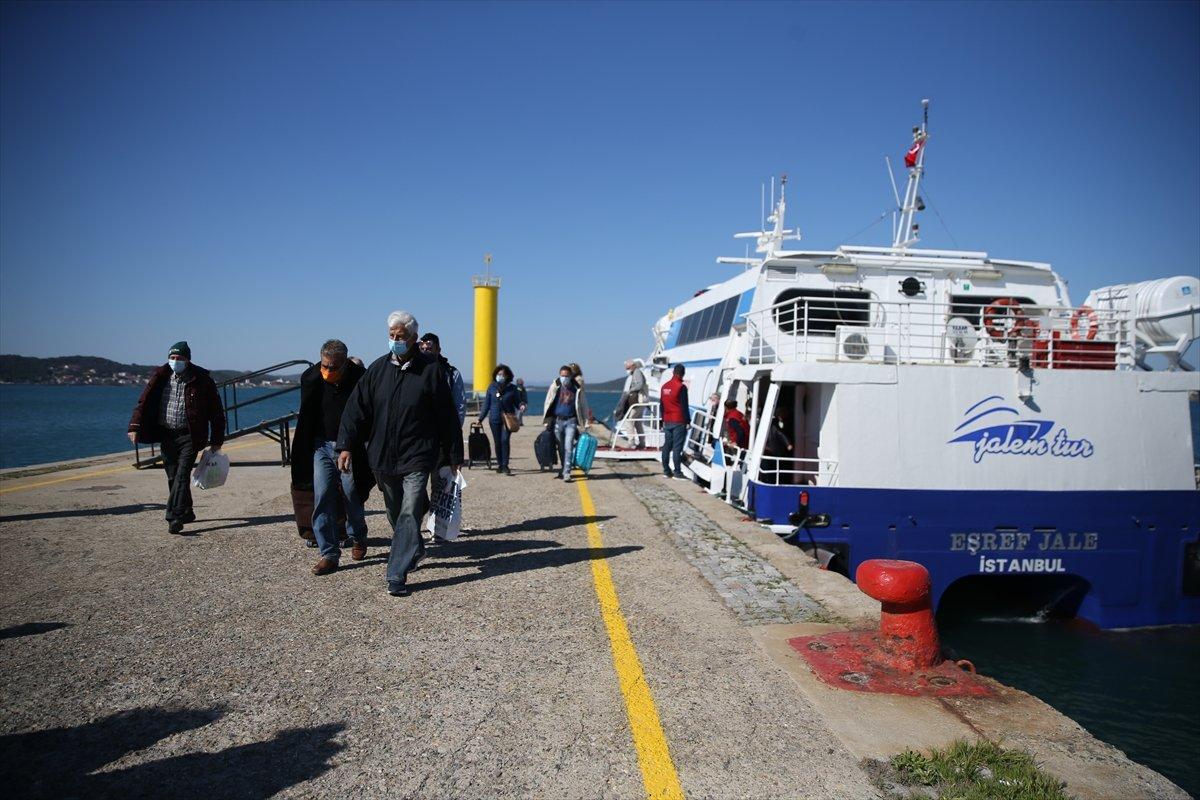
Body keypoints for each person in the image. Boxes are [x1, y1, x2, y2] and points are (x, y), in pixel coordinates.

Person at [337, 311, 463, 597]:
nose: (395, 341)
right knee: (396, 512)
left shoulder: (431, 370)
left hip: (418, 455)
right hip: (382, 457)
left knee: (409, 512)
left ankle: (396, 573)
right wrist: (345, 445)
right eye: (392, 336)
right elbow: (355, 410)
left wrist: (454, 454)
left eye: (401, 337)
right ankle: (413, 546)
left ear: (414, 339)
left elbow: (446, 416)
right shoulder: (377, 370)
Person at [291, 339, 373, 575]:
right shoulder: (311, 378)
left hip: (350, 447)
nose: (327, 371)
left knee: (350, 494)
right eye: (324, 365)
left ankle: (358, 536)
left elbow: (367, 414)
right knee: (323, 495)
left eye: (333, 367)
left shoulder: (360, 379)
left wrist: (355, 444)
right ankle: (329, 553)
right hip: (321, 446)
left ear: (345, 363)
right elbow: (307, 416)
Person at [127, 341, 225, 535]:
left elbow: (216, 412)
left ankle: (174, 517)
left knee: (181, 476)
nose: (175, 361)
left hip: (190, 435)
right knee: (172, 476)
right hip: (166, 434)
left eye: (179, 358)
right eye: (172, 358)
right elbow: (143, 402)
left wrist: (216, 441)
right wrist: (135, 426)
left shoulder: (202, 380)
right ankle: (186, 511)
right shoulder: (161, 376)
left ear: (188, 360)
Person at [542, 364, 590, 483]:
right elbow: (548, 401)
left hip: (571, 421)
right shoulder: (555, 385)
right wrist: (546, 420)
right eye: (562, 375)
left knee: (568, 447)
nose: (564, 378)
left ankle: (567, 473)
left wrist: (586, 420)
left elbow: (583, 404)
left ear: (570, 376)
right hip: (558, 420)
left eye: (566, 376)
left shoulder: (576, 388)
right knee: (561, 447)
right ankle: (564, 468)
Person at [478, 363, 520, 475]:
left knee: (505, 440)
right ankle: (500, 464)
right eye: (498, 374)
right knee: (497, 442)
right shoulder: (491, 387)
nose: (500, 376)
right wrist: (480, 418)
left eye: (503, 374)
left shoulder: (512, 388)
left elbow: (517, 402)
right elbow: (486, 404)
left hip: (508, 418)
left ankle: (505, 465)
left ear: (508, 376)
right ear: (495, 375)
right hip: (494, 418)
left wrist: (521, 405)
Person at [418, 333, 465, 426]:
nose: (425, 352)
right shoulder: (414, 373)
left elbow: (460, 405)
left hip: (444, 428)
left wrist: (455, 429)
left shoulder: (452, 374)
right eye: (422, 349)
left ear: (438, 350)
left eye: (429, 349)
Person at [659, 363, 688, 479]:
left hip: (667, 420)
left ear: (673, 372)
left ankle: (666, 470)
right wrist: (688, 420)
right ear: (682, 373)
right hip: (679, 420)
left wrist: (662, 419)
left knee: (667, 446)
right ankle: (677, 472)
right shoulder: (681, 387)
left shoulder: (664, 386)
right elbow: (684, 406)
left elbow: (662, 404)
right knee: (677, 447)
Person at [614, 359, 648, 447]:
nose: (627, 370)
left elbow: (639, 385)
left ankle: (631, 441)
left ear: (632, 366)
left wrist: (630, 390)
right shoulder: (634, 373)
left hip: (638, 402)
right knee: (637, 422)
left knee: (628, 419)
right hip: (641, 402)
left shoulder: (637, 372)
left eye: (628, 368)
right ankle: (642, 442)